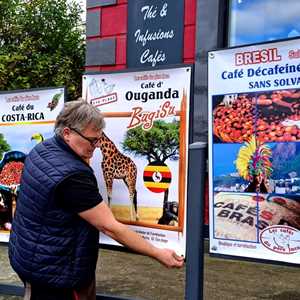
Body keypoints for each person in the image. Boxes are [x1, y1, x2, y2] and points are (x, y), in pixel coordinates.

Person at [8, 100, 184, 300]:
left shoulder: (43, 150)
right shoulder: (72, 176)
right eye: (92, 140)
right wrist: (157, 253)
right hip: (57, 273)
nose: (96, 146)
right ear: (67, 133)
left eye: (99, 139)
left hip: (29, 256)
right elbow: (110, 227)